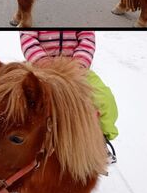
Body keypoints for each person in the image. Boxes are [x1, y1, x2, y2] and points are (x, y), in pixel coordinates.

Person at [20, 30, 119, 162]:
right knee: (24, 94)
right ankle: (23, 139)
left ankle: (99, 138)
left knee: (104, 98)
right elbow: (28, 39)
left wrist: (78, 65)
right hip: (41, 67)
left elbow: (87, 38)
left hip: (75, 67)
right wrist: (43, 62)